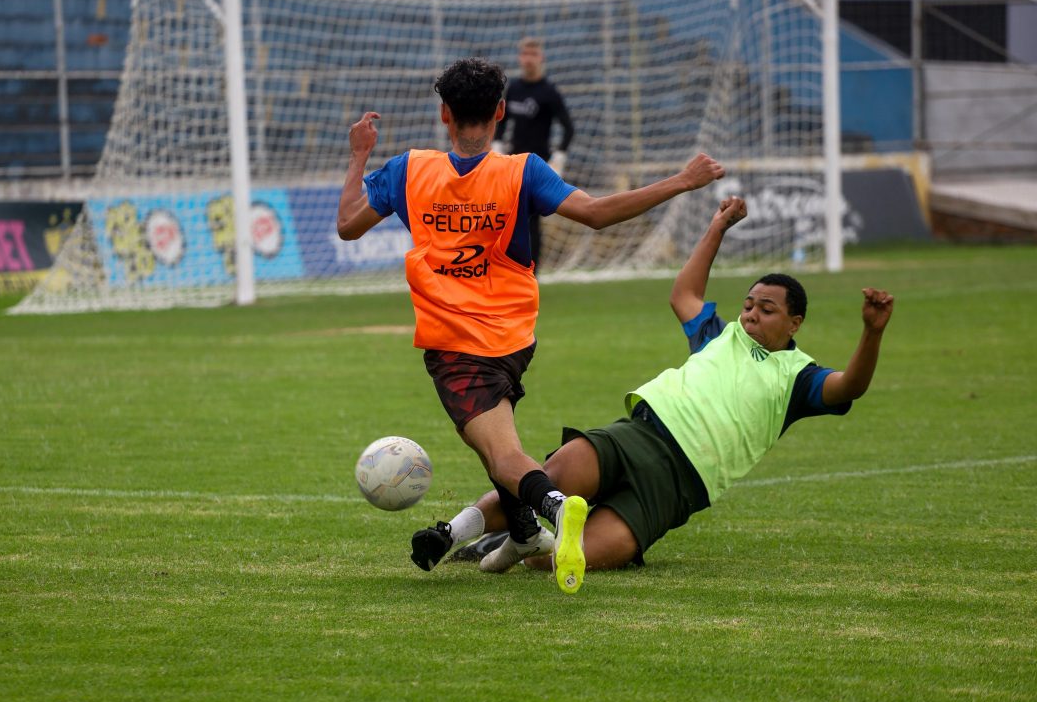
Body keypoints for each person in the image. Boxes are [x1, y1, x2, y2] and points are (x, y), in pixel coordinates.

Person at [336, 57, 724, 593]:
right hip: (515, 337)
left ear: (444, 113)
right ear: (500, 112)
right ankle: (520, 530)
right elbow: (597, 213)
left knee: (501, 453)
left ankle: (557, 510)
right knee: (494, 444)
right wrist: (682, 181)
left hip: (456, 344)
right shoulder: (523, 171)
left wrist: (359, 155)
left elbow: (347, 225)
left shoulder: (409, 169)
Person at [434, 196, 895, 580]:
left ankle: (519, 543)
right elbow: (683, 296)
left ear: (795, 322)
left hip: (675, 487)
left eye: (767, 310)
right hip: (637, 435)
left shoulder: (799, 377)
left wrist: (872, 332)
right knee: (547, 480)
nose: (752, 313)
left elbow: (848, 387)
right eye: (750, 304)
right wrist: (717, 228)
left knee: (555, 562)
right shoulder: (721, 334)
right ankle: (457, 532)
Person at [491, 37, 574, 272]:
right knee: (506, 218)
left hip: (536, 166)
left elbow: (568, 127)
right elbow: (501, 120)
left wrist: (558, 158)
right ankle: (504, 269)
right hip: (512, 163)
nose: (528, 59)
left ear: (541, 58)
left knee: (531, 220)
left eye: (533, 54)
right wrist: (497, 145)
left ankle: (530, 274)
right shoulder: (514, 88)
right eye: (524, 54)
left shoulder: (549, 92)